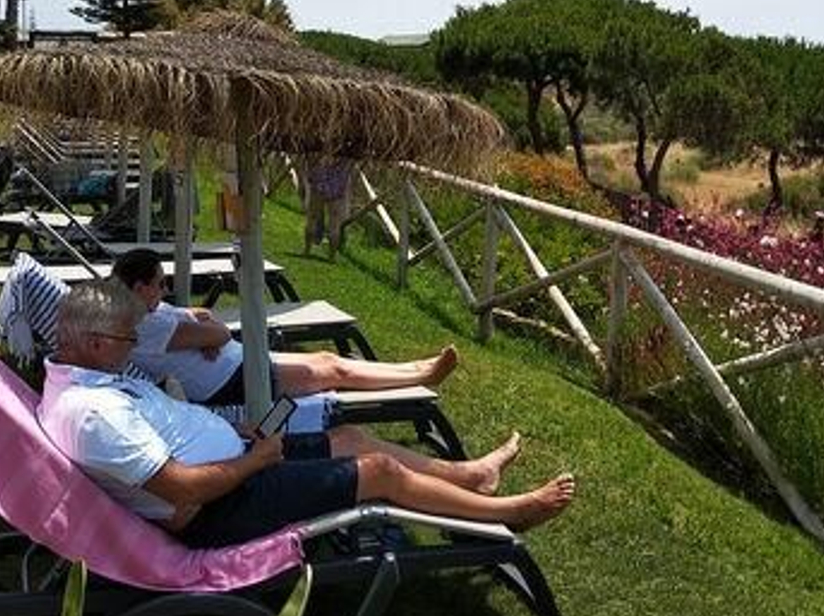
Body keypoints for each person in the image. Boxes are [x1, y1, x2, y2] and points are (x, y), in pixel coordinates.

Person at [38, 280, 575, 546]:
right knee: (377, 472)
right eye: (125, 339)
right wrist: (258, 458)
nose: (134, 346)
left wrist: (229, 431)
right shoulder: (90, 412)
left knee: (352, 438)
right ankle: (507, 513)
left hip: (235, 459)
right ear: (90, 341)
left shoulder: (89, 384)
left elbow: (163, 448)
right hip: (223, 506)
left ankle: (471, 475)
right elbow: (181, 493)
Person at [111, 248, 456, 405]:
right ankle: (421, 376)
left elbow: (199, 315)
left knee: (324, 357)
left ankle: (413, 368)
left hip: (234, 364)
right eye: (160, 283)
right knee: (332, 369)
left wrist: (200, 327)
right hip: (230, 382)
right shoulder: (144, 326)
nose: (166, 289)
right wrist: (206, 332)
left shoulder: (145, 311)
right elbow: (215, 330)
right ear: (140, 289)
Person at [303, 156, 353, 258]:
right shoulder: (349, 147)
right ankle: (331, 257)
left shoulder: (319, 146)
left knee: (312, 217)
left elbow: (311, 158)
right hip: (337, 184)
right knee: (334, 223)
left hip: (319, 179)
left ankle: (307, 251)